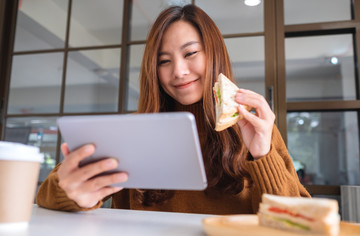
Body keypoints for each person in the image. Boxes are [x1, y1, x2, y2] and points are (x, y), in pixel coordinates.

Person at [36, 4, 310, 214]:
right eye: (164, 61)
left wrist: (263, 154)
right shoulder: (136, 131)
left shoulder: (253, 126)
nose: (178, 71)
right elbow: (46, 196)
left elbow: (296, 220)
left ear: (214, 54)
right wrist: (72, 193)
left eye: (190, 54)